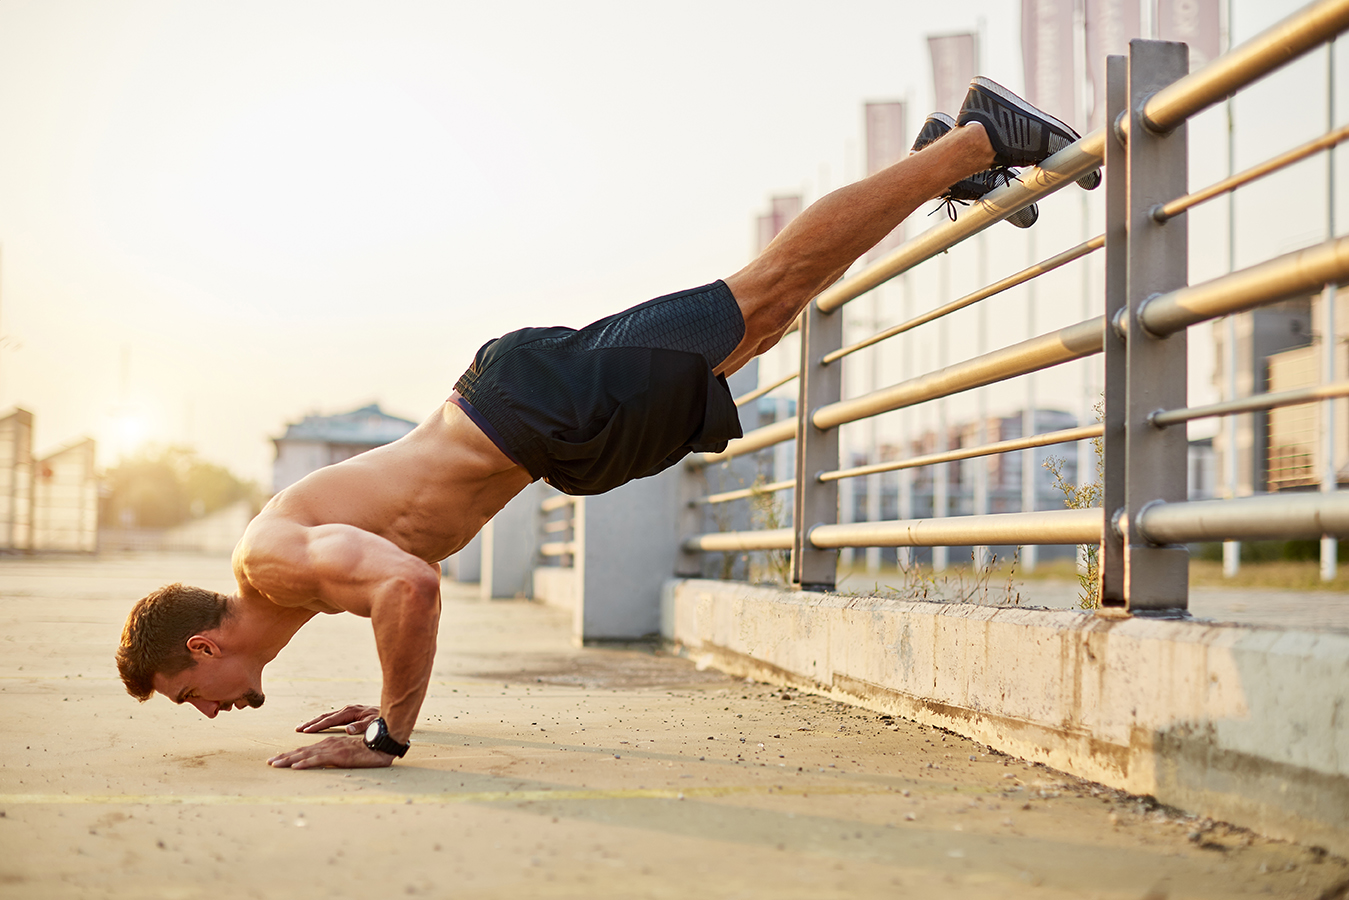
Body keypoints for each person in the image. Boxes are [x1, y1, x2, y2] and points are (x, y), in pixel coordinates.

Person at [116, 78, 1096, 770]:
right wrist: (386, 701)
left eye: (185, 694)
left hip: (530, 406)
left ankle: (977, 138)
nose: (207, 709)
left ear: (203, 650)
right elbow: (392, 577)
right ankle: (939, 160)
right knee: (764, 321)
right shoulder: (293, 580)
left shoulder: (270, 563)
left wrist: (389, 737)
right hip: (531, 415)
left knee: (763, 295)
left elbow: (409, 587)